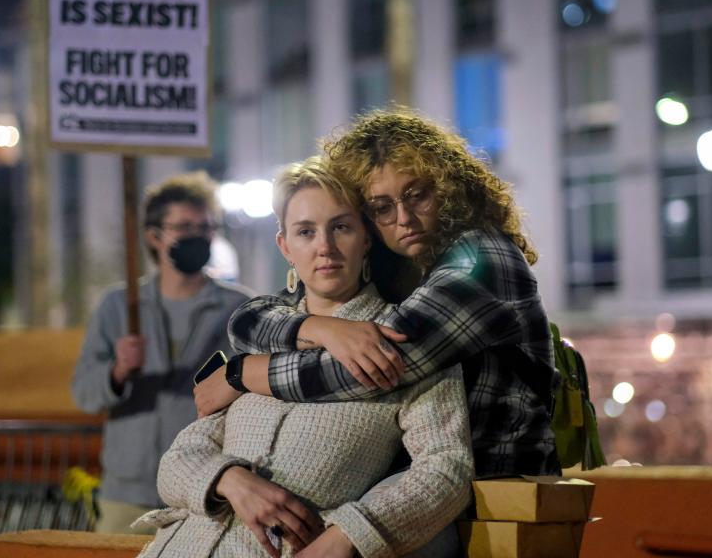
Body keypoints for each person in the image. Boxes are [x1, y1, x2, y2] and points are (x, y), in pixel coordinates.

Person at [136, 158, 473, 558]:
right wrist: (230, 481)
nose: (325, 247)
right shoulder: (266, 335)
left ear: (366, 237)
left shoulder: (406, 339)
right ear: (285, 247)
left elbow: (446, 469)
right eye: (306, 232)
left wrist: (350, 534)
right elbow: (177, 461)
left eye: (341, 227)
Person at [198, 109, 559, 478]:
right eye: (381, 208)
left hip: (500, 498)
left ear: (448, 188)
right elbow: (252, 318)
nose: (403, 218)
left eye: (416, 196)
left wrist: (241, 372)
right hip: (442, 504)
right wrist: (322, 328)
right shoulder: (400, 265)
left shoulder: (481, 258)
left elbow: (374, 367)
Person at [72, 172, 251, 534]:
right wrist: (118, 371)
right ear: (154, 235)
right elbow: (84, 394)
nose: (198, 236)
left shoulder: (240, 309)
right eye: (184, 226)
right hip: (127, 495)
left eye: (206, 226)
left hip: (204, 490)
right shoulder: (120, 306)